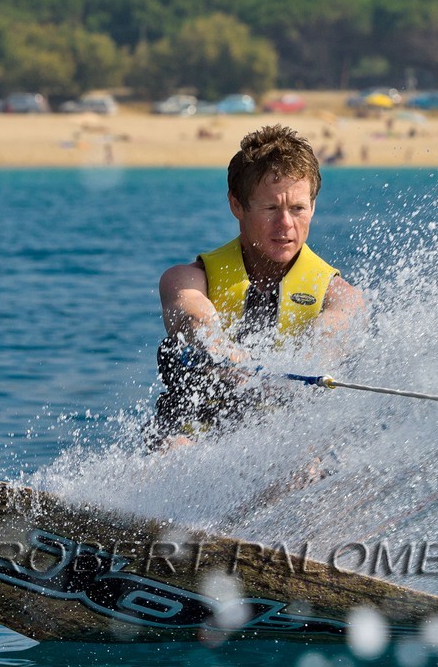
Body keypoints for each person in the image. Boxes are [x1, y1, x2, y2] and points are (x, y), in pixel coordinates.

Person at [147, 124, 364, 447]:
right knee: (173, 447)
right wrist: (225, 354)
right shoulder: (188, 279)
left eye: (298, 208)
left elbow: (332, 337)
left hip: (283, 444)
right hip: (193, 433)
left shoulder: (341, 296)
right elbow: (193, 320)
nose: (286, 224)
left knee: (308, 466)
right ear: (237, 206)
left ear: (313, 207)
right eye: (271, 208)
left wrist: (309, 365)